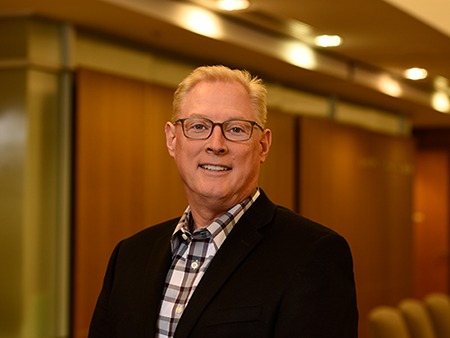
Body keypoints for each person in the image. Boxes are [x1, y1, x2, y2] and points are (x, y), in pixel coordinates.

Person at [88, 65, 358, 338]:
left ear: (263, 145)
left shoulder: (313, 254)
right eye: (198, 126)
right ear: (172, 139)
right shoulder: (130, 256)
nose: (216, 144)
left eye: (236, 129)